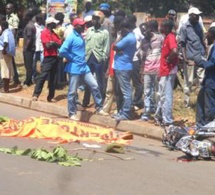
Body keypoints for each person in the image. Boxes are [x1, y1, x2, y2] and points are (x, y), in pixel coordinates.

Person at [59, 18, 108, 120]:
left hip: (84, 66)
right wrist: (71, 57)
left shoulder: (80, 36)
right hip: (74, 68)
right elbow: (62, 50)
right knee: (72, 91)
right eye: (81, 25)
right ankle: (71, 113)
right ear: (75, 26)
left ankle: (99, 107)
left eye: (83, 25)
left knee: (94, 85)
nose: (83, 27)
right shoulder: (71, 37)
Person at [180, 7, 206, 108]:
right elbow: (182, 44)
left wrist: (206, 51)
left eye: (198, 15)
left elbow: (202, 40)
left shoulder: (199, 25)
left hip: (200, 56)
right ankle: (186, 103)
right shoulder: (184, 28)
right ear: (190, 15)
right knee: (189, 81)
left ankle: (202, 102)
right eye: (196, 15)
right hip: (190, 57)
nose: (198, 17)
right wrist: (185, 59)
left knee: (202, 79)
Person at [82, 11, 110, 107]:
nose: (94, 20)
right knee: (87, 81)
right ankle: (85, 101)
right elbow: (86, 44)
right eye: (93, 18)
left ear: (100, 20)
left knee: (99, 81)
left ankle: (100, 101)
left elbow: (106, 47)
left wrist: (103, 58)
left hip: (98, 59)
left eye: (96, 18)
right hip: (89, 58)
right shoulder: (89, 30)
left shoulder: (105, 32)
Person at [154, 19, 178, 126]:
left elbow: (175, 51)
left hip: (168, 71)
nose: (160, 28)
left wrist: (169, 59)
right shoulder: (166, 38)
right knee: (161, 95)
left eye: (162, 26)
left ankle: (167, 120)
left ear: (167, 28)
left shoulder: (171, 37)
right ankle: (159, 116)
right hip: (164, 71)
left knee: (167, 96)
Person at [32, 17, 61, 102]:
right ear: (49, 24)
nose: (56, 24)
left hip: (55, 57)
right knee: (43, 76)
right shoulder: (44, 32)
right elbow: (47, 46)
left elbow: (59, 43)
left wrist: (53, 43)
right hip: (48, 57)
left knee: (53, 78)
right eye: (54, 23)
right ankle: (36, 94)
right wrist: (53, 43)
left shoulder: (54, 33)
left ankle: (51, 96)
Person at [113, 17, 136, 121]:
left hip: (123, 67)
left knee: (126, 92)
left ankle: (126, 113)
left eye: (122, 28)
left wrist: (120, 37)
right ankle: (122, 112)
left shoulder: (128, 38)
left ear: (126, 28)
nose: (120, 30)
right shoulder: (130, 37)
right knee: (123, 91)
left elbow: (114, 46)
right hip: (122, 66)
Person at [141, 20, 164, 121]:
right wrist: (141, 71)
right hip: (147, 69)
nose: (144, 32)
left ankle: (157, 112)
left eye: (146, 29)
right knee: (146, 91)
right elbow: (142, 57)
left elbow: (163, 54)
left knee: (157, 91)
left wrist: (162, 70)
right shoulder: (144, 41)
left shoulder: (160, 38)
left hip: (157, 68)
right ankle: (146, 111)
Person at [193, 26, 215, 127]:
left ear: (212, 35)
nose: (206, 36)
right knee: (201, 102)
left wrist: (200, 62)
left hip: (211, 82)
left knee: (209, 106)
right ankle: (200, 126)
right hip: (208, 81)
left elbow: (212, 63)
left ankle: (208, 127)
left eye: (208, 34)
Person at [130, 15, 144, 111]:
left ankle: (137, 101)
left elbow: (144, 44)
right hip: (128, 60)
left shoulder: (138, 31)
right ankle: (130, 102)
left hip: (135, 59)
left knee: (137, 83)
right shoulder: (128, 32)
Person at [5, 3, 20, 85]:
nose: (7, 10)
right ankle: (11, 77)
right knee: (8, 59)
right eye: (6, 8)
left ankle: (15, 78)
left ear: (13, 9)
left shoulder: (15, 18)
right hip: (5, 39)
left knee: (11, 59)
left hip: (9, 41)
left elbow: (15, 30)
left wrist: (10, 42)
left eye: (9, 8)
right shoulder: (7, 17)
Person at [0, 21, 15, 93]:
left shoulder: (5, 33)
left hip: (5, 53)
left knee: (5, 70)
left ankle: (5, 89)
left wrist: (3, 49)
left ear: (2, 27)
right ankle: (7, 88)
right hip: (9, 53)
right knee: (8, 70)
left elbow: (6, 42)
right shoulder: (10, 32)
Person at [22, 10, 36, 87]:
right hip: (31, 49)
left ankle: (28, 81)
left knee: (28, 66)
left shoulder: (29, 26)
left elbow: (29, 38)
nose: (23, 17)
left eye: (25, 15)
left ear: (28, 17)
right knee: (29, 65)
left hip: (29, 49)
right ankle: (29, 80)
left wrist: (25, 48)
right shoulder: (31, 25)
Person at [33, 14, 44, 83]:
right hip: (35, 47)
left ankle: (42, 76)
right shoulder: (34, 27)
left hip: (41, 48)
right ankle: (34, 76)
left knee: (43, 62)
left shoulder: (43, 27)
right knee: (33, 63)